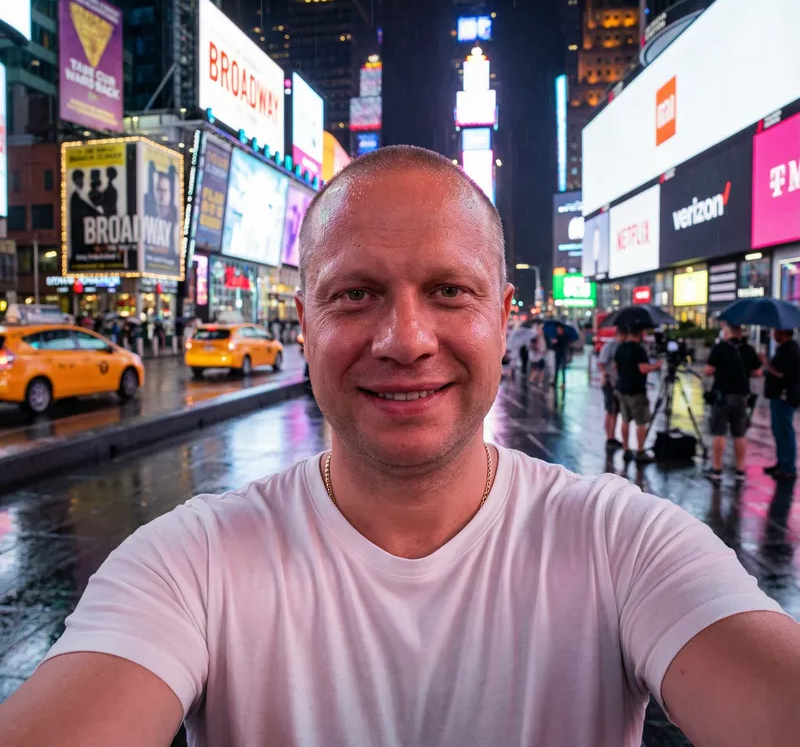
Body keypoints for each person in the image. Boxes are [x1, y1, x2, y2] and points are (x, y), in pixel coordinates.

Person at [3, 146, 800, 747]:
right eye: (356, 295)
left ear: (504, 314)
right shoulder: (186, 563)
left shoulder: (625, 542)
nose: (406, 341)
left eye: (450, 291)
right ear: (305, 324)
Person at [703, 322, 762, 484]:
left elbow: (708, 370)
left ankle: (717, 470)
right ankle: (740, 470)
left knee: (719, 433)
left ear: (728, 331)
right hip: (742, 398)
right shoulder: (749, 349)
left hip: (722, 397)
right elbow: (757, 372)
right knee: (740, 435)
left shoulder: (720, 348)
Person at [614, 325, 663, 463]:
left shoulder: (620, 347)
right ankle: (640, 451)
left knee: (625, 420)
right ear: (640, 333)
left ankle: (626, 449)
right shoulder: (638, 349)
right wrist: (655, 366)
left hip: (622, 388)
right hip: (636, 390)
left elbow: (615, 366)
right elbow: (642, 368)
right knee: (641, 422)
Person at [761, 328, 800, 482]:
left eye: (775, 331)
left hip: (784, 396)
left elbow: (781, 373)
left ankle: (788, 467)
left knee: (785, 430)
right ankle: (782, 463)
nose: (773, 334)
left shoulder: (790, 349)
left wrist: (766, 364)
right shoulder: (785, 348)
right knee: (779, 430)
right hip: (779, 395)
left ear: (783, 333)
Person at [597, 326, 627, 451]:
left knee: (615, 411)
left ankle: (612, 437)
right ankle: (609, 437)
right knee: (611, 410)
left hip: (618, 383)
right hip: (610, 382)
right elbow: (601, 363)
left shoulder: (623, 347)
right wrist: (605, 374)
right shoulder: (610, 346)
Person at [550, 324, 569, 388]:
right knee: (556, 368)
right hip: (557, 354)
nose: (558, 330)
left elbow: (565, 345)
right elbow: (552, 347)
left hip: (563, 354)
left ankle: (563, 383)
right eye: (557, 329)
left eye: (559, 329)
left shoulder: (565, 336)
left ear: (562, 329)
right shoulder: (556, 336)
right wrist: (554, 343)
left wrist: (558, 342)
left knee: (563, 369)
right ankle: (555, 381)